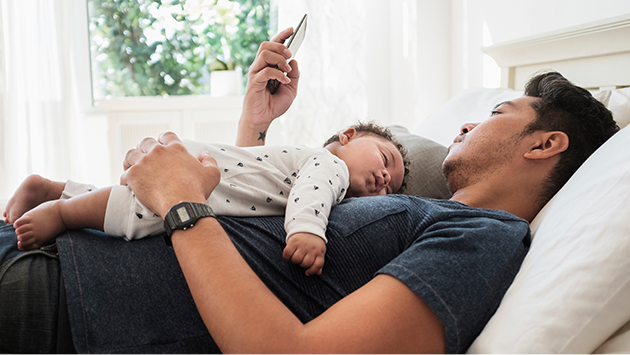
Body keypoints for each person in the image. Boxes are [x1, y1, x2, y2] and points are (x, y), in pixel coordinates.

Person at [0, 27, 619, 355]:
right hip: (56, 259)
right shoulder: (425, 211)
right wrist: (255, 126)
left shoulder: (484, 239)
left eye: (499, 112)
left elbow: (291, 349)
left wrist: (182, 205)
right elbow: (264, 220)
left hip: (56, 303)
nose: (466, 122)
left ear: (545, 145)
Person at [4, 121, 409, 276]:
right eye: (386, 159)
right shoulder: (329, 166)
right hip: (199, 180)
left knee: (132, 196)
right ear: (349, 136)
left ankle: (53, 189)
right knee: (140, 213)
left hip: (204, 170)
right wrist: (306, 231)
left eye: (393, 184)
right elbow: (312, 193)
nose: (386, 178)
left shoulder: (321, 170)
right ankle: (62, 212)